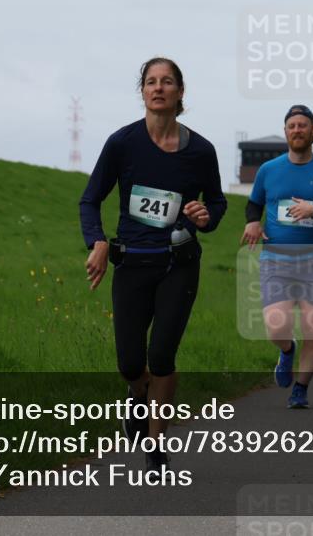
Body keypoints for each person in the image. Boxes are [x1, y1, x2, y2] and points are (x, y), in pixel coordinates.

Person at [79, 57, 227, 478]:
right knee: (130, 362)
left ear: (181, 93)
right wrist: (98, 241)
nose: (158, 88)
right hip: (131, 264)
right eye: (150, 82)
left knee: (162, 355)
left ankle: (156, 447)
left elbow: (216, 203)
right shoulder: (122, 144)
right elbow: (90, 199)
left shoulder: (201, 150)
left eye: (166, 82)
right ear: (142, 92)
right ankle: (136, 391)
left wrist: (205, 216)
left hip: (178, 264)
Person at [241, 105, 313, 409]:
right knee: (276, 325)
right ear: (286, 131)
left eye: (303, 125)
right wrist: (252, 221)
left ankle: (300, 389)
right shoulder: (269, 170)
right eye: (292, 126)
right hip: (275, 259)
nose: (298, 130)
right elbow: (254, 204)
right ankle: (287, 351)